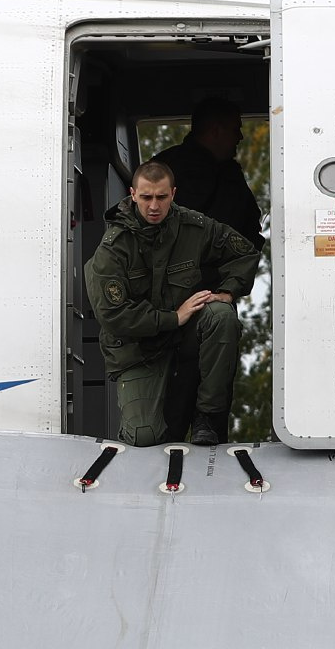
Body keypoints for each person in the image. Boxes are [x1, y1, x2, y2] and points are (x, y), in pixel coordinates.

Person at [83, 159, 259, 447]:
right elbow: (113, 315)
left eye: (162, 197)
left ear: (173, 194)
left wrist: (228, 291)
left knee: (221, 315)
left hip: (185, 338)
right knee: (144, 438)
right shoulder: (113, 248)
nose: (154, 206)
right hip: (137, 349)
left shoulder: (194, 226)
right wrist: (174, 318)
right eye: (147, 197)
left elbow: (244, 252)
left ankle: (209, 416)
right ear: (132, 194)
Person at [151, 96, 263, 246]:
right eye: (235, 129)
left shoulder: (230, 172)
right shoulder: (164, 170)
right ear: (216, 131)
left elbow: (250, 225)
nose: (240, 137)